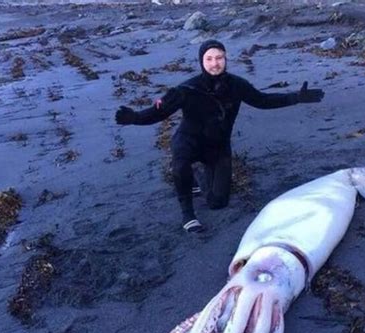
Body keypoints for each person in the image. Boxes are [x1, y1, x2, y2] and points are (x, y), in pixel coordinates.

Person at [115, 39, 324, 233]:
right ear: (201, 61)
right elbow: (158, 113)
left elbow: (263, 101)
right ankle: (188, 215)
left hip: (217, 147)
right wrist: (135, 117)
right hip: (188, 142)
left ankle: (196, 174)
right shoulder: (186, 89)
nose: (215, 63)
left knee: (218, 202)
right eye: (209, 59)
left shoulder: (237, 85)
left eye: (219, 58)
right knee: (180, 165)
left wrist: (296, 97)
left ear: (225, 58)